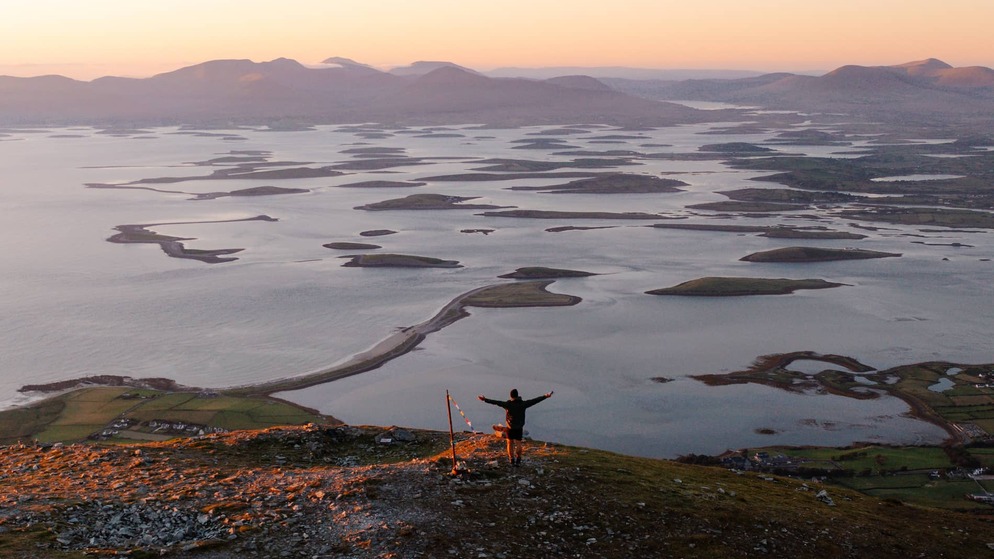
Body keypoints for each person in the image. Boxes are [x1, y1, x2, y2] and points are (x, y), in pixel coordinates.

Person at [478, 389, 553, 466]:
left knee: (509, 443)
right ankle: (518, 459)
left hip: (510, 428)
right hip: (519, 427)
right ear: (517, 395)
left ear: (511, 396)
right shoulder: (523, 404)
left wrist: (485, 399)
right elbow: (535, 400)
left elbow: (496, 402)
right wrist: (545, 396)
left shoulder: (508, 404)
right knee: (518, 443)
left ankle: (511, 459)